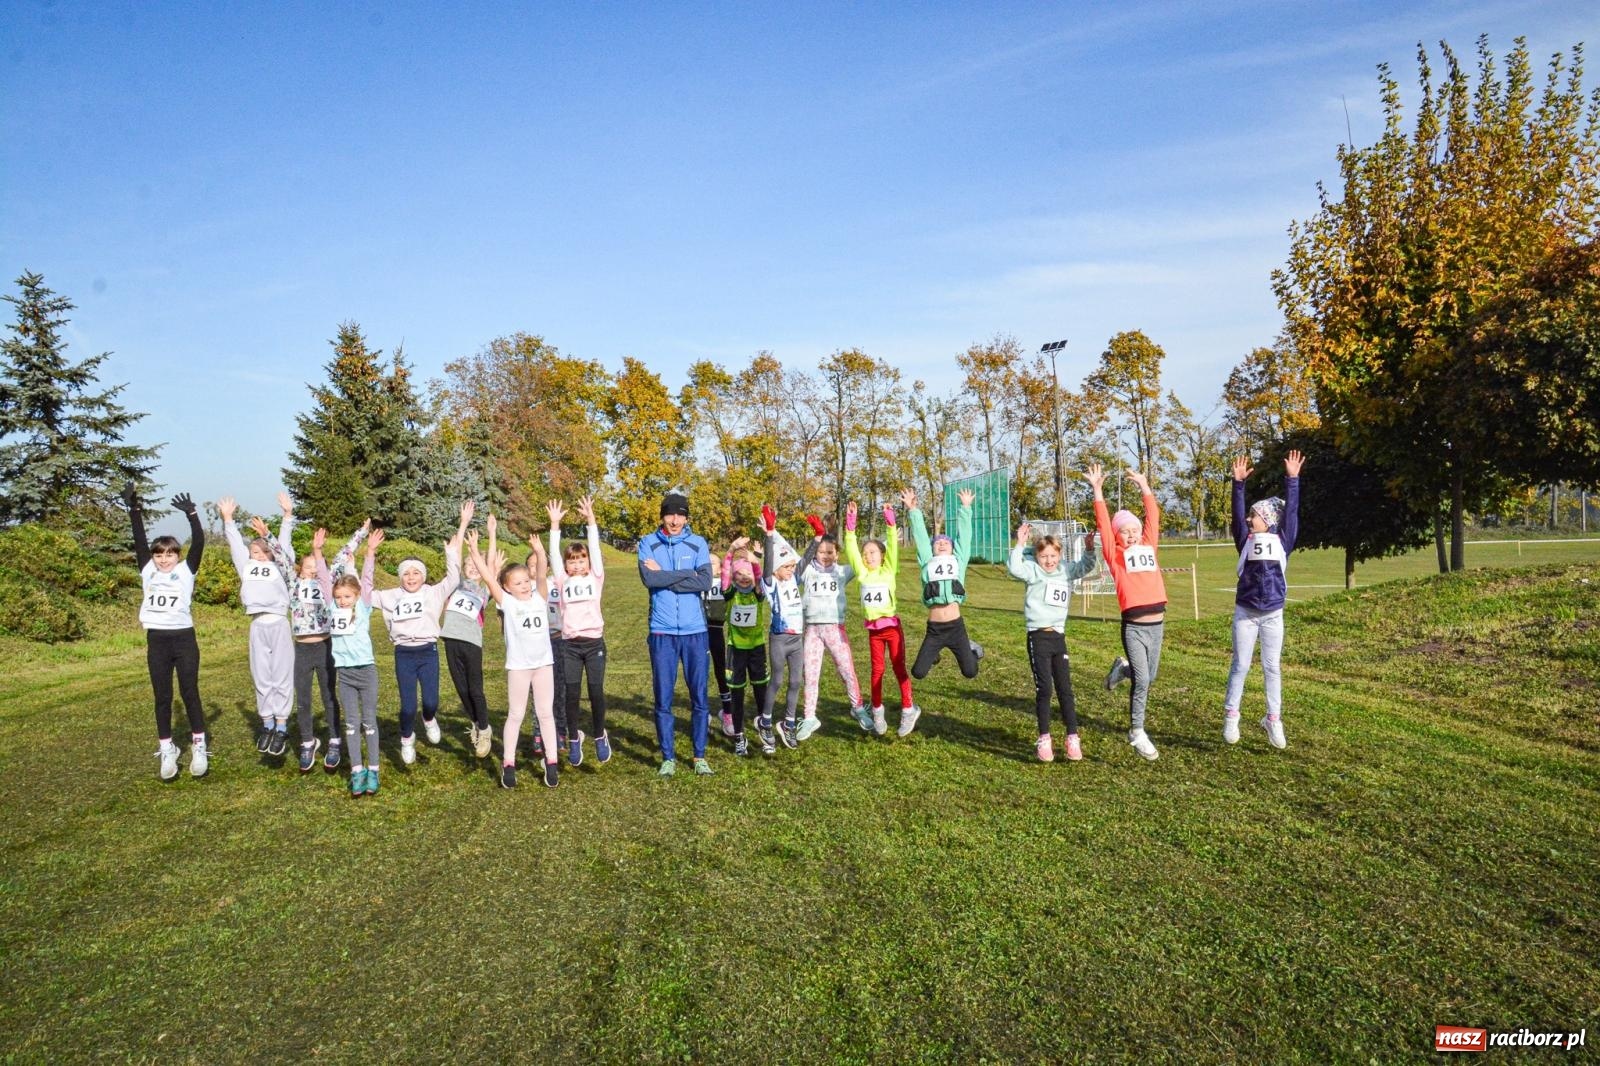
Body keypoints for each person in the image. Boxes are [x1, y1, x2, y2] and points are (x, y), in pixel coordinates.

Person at [370, 500, 469, 765]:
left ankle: (429, 720)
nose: (411, 577)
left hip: (428, 652)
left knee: (430, 702)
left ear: (423, 577)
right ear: (400, 577)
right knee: (407, 706)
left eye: (416, 573)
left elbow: (453, 578)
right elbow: (364, 595)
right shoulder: (391, 596)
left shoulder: (433, 592)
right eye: (406, 574)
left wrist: (451, 552)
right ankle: (406, 738)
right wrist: (364, 556)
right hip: (404, 653)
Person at [124, 483, 209, 780]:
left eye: (169, 554)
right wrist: (134, 509)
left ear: (177, 555)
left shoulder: (186, 571)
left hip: (184, 638)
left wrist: (193, 515)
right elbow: (138, 539)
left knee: (189, 692)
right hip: (157, 640)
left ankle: (199, 745)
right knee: (162, 696)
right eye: (159, 555)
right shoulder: (147, 570)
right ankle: (167, 749)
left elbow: (199, 542)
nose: (163, 559)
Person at [469, 519, 560, 789]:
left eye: (525, 581)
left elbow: (542, 574)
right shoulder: (506, 602)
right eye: (517, 582)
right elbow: (487, 576)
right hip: (519, 668)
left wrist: (540, 551)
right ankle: (508, 764)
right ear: (507, 587)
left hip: (544, 665)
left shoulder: (540, 597)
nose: (523, 585)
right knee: (516, 715)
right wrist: (476, 550)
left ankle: (551, 763)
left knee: (545, 714)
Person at [1223, 450, 1304, 749]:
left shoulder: (1283, 540)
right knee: (1241, 665)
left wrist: (1292, 480)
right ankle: (1232, 713)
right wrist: (1238, 484)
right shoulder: (1245, 539)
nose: (1248, 518)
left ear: (1268, 520)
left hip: (1273, 614)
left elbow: (1291, 513)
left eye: (1254, 515)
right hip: (1245, 613)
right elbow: (1235, 514)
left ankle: (1273, 719)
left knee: (1272, 667)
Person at [1088, 464, 1166, 761]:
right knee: (1143, 681)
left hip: (1157, 624)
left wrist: (1145, 486)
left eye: (1134, 530)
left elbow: (1153, 518)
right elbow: (1105, 526)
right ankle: (1137, 731)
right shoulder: (1115, 555)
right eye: (1125, 531)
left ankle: (1121, 670)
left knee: (1149, 676)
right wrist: (1097, 490)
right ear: (1118, 537)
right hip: (1133, 627)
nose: (1132, 535)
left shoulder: (1149, 546)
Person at [638, 492, 715, 776]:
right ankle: (668, 756)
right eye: (670, 514)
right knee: (663, 697)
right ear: (662, 515)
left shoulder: (698, 543)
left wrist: (667, 575)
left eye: (680, 514)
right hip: (662, 632)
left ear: (686, 517)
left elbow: (705, 581)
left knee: (700, 697)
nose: (675, 520)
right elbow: (650, 579)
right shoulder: (648, 543)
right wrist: (686, 575)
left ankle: (699, 756)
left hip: (696, 632)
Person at [1007, 522, 1097, 761]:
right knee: (1045, 689)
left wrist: (1089, 549)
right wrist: (1020, 544)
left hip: (1058, 637)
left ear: (1060, 555)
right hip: (1038, 636)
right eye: (1044, 556)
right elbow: (1014, 568)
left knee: (1065, 689)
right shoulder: (1032, 571)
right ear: (1037, 556)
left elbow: (1085, 567)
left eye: (1053, 556)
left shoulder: (1065, 570)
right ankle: (1044, 738)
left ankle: (1072, 738)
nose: (1049, 561)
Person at [285, 518, 366, 772]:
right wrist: (267, 535)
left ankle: (334, 739)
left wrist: (361, 532)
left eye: (315, 567)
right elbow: (279, 556)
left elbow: (344, 554)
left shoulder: (328, 581)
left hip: (325, 646)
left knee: (329, 695)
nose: (311, 570)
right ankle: (308, 742)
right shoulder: (294, 584)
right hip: (301, 648)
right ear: (299, 570)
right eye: (307, 567)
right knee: (303, 699)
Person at [220, 494, 295, 757]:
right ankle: (267, 724)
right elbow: (236, 546)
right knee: (262, 675)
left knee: (281, 675)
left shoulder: (280, 566)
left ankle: (282, 726)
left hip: (279, 622)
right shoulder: (246, 566)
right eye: (256, 552)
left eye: (265, 552)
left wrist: (287, 516)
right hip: (257, 624)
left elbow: (284, 547)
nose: (260, 555)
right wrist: (228, 519)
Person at [842, 500, 917, 736]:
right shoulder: (862, 573)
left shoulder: (888, 570)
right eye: (866, 554)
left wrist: (890, 521)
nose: (868, 556)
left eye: (873, 552)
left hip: (892, 629)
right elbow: (851, 548)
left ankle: (908, 709)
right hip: (874, 631)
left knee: (898, 668)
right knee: (877, 671)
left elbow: (893, 544)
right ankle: (877, 712)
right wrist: (851, 524)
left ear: (882, 556)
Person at [548, 496, 612, 766]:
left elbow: (595, 549)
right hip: (570, 646)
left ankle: (599, 735)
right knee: (572, 694)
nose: (577, 564)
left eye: (581, 560)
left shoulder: (595, 578)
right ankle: (573, 738)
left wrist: (591, 520)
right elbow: (553, 554)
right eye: (572, 561)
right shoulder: (562, 580)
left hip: (594, 643)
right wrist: (554, 526)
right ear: (565, 565)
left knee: (596, 692)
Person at [319, 529, 383, 796]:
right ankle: (357, 771)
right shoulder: (333, 608)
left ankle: (374, 770)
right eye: (339, 597)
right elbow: (324, 580)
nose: (343, 601)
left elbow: (367, 579)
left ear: (357, 596)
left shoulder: (364, 606)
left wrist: (369, 552)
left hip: (366, 672)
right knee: (351, 723)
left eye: (348, 596)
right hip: (344, 674)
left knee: (369, 722)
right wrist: (317, 552)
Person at [796, 513, 866, 738]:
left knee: (847, 670)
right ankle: (809, 717)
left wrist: (879, 541)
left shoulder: (842, 572)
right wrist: (814, 541)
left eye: (830, 552)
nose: (825, 556)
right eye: (821, 552)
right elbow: (799, 565)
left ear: (837, 553)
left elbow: (861, 561)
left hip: (836, 629)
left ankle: (857, 708)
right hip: (813, 631)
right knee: (811, 674)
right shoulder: (807, 571)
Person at [903, 487, 983, 682]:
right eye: (937, 542)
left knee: (970, 672)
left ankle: (972, 649)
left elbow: (964, 538)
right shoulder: (927, 561)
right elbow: (922, 538)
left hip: (956, 627)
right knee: (918, 672)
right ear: (932, 549)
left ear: (952, 548)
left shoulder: (958, 560)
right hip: (935, 629)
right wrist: (913, 511)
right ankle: (934, 654)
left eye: (946, 542)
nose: (942, 543)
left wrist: (965, 508)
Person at [439, 526, 495, 761]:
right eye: (469, 565)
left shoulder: (484, 590)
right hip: (450, 639)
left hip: (472, 643)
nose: (473, 567)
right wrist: (463, 524)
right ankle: (476, 723)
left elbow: (490, 566)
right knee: (461, 689)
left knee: (475, 689)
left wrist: (491, 534)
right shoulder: (457, 585)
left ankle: (484, 730)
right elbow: (455, 555)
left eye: (476, 565)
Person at [760, 506, 806, 749]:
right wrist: (769, 536)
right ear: (777, 569)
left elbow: (804, 561)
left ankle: (788, 724)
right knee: (777, 681)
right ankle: (765, 722)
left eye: (791, 567)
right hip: (779, 639)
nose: (791, 570)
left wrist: (818, 538)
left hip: (797, 640)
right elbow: (768, 563)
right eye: (787, 567)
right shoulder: (770, 583)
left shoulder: (794, 580)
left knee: (796, 682)